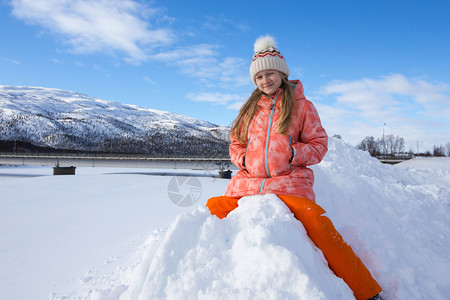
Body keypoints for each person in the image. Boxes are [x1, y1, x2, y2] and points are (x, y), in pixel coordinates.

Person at [206, 35, 383, 300]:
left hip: (289, 184)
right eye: (259, 77)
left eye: (270, 74)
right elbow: (235, 144)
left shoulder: (303, 106)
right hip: (248, 185)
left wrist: (291, 154)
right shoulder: (248, 109)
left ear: (281, 72)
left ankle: (366, 291)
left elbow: (318, 145)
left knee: (320, 227)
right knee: (210, 213)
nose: (265, 81)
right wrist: (244, 160)